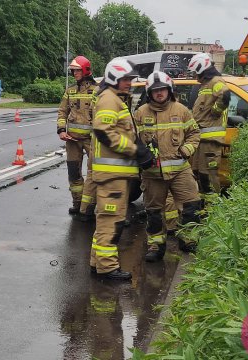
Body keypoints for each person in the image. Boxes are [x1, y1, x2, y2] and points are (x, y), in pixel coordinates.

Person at [89, 58, 154, 280]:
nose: (129, 83)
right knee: (112, 221)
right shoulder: (109, 100)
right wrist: (135, 150)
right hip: (112, 175)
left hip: (114, 174)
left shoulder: (115, 99)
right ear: (115, 77)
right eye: (126, 79)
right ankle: (107, 268)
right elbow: (104, 132)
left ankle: (97, 263)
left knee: (105, 221)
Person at [134, 71, 201, 260]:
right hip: (152, 174)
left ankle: (188, 240)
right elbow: (133, 140)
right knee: (154, 212)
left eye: (163, 89)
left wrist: (187, 150)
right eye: (155, 91)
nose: (159, 93)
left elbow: (194, 134)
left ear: (169, 90)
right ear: (149, 93)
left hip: (180, 170)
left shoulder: (181, 110)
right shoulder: (140, 113)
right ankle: (156, 246)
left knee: (191, 205)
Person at [57, 56, 98, 220]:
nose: (75, 73)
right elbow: (62, 111)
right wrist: (61, 130)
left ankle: (88, 208)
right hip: (72, 140)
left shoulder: (97, 90)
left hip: (91, 140)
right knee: (73, 173)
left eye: (78, 70)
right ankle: (77, 203)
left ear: (86, 70)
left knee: (94, 174)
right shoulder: (70, 90)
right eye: (73, 70)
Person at [187, 53, 230, 197]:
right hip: (202, 140)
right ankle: (204, 207)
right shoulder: (206, 84)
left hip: (211, 141)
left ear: (202, 68)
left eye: (195, 72)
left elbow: (225, 95)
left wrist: (215, 111)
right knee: (200, 175)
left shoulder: (215, 81)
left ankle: (213, 209)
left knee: (209, 177)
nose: (194, 75)